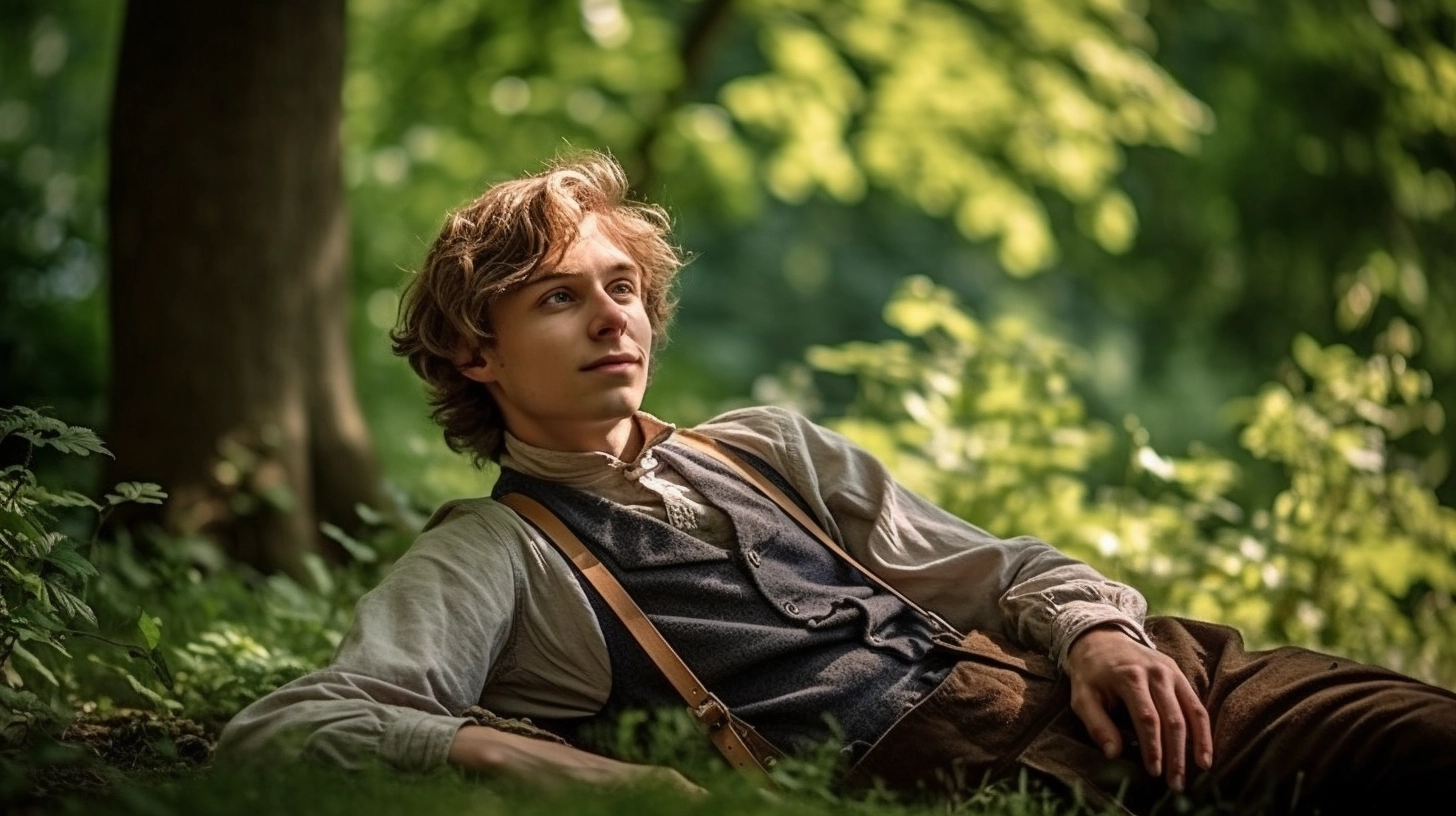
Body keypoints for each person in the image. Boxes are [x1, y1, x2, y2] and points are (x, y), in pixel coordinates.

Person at [215, 152, 1456, 814]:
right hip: (984, 787)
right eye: (558, 297)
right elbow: (290, 726)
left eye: (622, 287)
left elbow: (1001, 572)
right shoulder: (498, 555)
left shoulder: (763, 444)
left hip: (1163, 684)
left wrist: (1096, 633)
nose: (612, 317)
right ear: (475, 352)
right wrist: (563, 770)